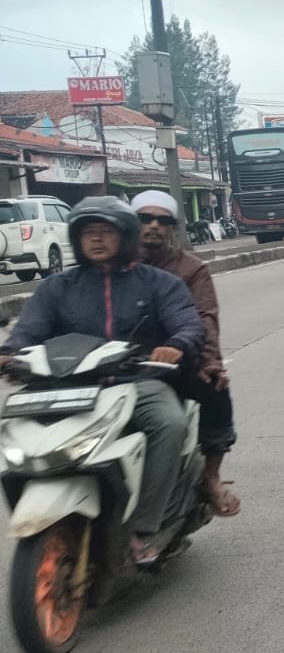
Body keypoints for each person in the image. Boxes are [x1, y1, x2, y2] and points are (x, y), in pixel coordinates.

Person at [0, 198, 205, 563]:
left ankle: (146, 527)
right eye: (87, 232)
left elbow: (187, 324)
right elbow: (28, 332)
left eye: (105, 232)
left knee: (169, 423)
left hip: (136, 381)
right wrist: (10, 353)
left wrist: (174, 346)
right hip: (65, 386)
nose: (95, 239)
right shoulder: (56, 287)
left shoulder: (159, 283)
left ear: (125, 236)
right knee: (15, 428)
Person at [132, 190, 241, 518]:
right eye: (144, 219)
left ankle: (210, 477)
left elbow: (205, 319)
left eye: (162, 221)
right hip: (115, 366)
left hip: (173, 362)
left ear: (173, 227)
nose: (153, 226)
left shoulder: (191, 269)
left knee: (215, 388)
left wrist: (210, 362)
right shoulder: (111, 267)